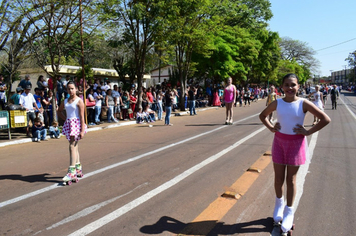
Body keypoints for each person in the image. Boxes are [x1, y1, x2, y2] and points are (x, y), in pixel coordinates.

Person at [259, 73, 330, 235]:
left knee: (290, 179)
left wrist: (307, 131)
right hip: (279, 142)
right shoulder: (277, 103)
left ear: (299, 86)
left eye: (293, 85)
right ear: (282, 87)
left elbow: (325, 119)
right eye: (286, 85)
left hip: (296, 144)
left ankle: (289, 212)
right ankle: (279, 205)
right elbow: (262, 116)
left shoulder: (304, 103)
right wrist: (271, 127)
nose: (290, 88)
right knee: (278, 178)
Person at [58, 81, 87, 183]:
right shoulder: (65, 101)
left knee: (72, 146)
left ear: (76, 89)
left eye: (72, 88)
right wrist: (65, 118)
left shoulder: (79, 101)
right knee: (75, 146)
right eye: (68, 89)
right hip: (69, 123)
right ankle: (78, 167)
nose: (70, 90)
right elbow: (59, 110)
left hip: (77, 124)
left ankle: (71, 170)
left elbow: (82, 117)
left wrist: (82, 130)